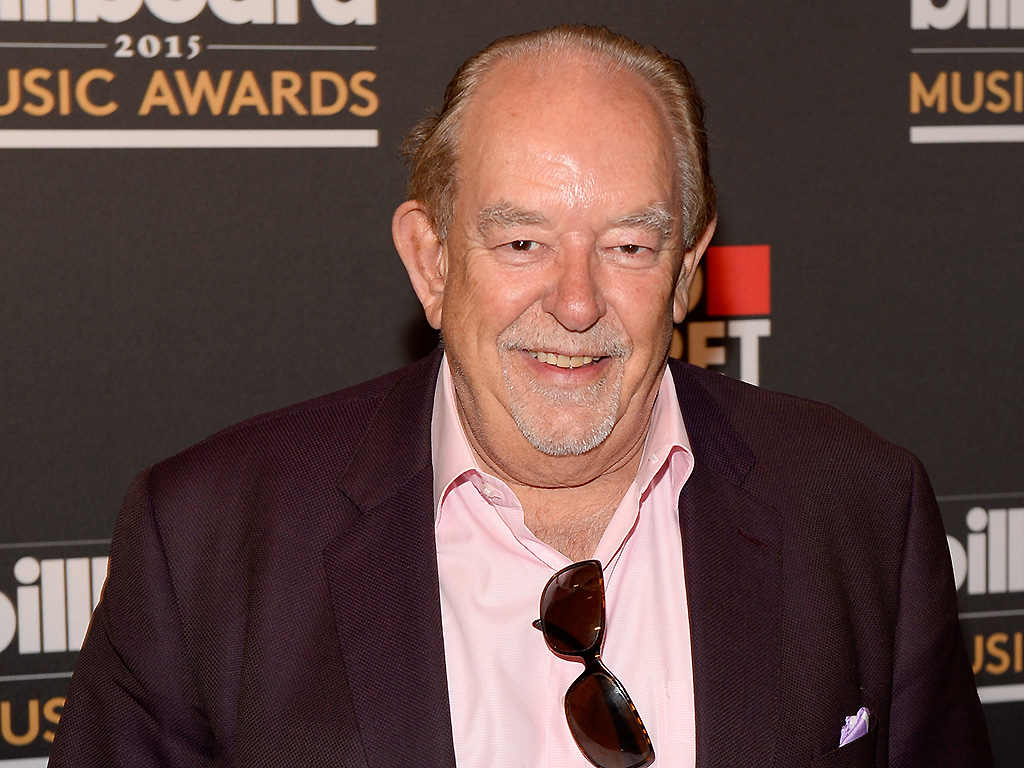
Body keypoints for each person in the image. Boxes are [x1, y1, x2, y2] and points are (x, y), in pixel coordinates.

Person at [50, 24, 991, 768]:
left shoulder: (863, 506)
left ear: (689, 270)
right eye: (521, 243)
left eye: (629, 246)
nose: (576, 304)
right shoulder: (207, 539)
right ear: (430, 261)